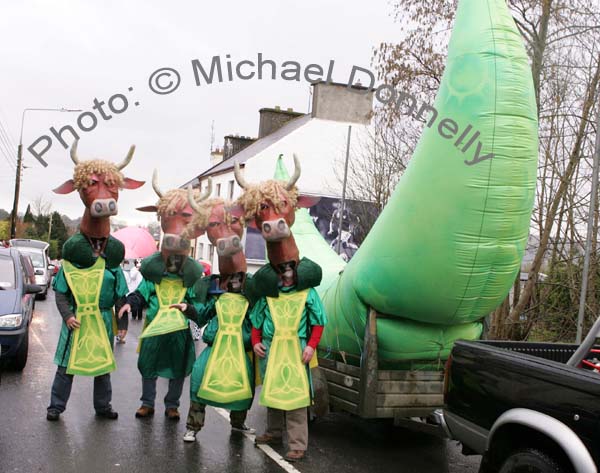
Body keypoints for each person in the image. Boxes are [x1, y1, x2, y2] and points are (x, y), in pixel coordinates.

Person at [249, 260, 326, 461]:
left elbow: (318, 322)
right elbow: (257, 320)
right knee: (273, 390)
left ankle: (298, 444)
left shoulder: (308, 293)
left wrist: (311, 345)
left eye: (289, 268)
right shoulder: (268, 294)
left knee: (295, 395)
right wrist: (256, 341)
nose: (286, 273)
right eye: (282, 269)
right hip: (271, 348)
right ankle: (274, 433)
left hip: (296, 349)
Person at [118, 252, 204, 420]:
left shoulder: (189, 284)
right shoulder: (153, 280)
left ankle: (172, 405)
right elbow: (140, 295)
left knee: (178, 368)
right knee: (148, 364)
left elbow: (198, 307)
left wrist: (190, 308)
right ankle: (147, 403)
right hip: (154, 330)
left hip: (178, 332)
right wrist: (129, 303)